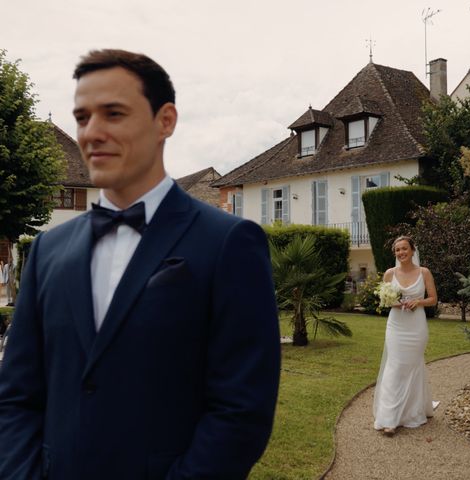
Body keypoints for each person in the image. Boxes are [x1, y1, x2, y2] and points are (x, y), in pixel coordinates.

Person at [0, 49, 281, 479]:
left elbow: (241, 410)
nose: (91, 132)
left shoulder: (228, 243)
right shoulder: (47, 250)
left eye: (113, 113)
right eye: (82, 117)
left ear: (165, 120)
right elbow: (16, 395)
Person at [373, 235, 438, 436]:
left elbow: (433, 299)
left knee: (413, 366)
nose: (401, 253)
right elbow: (385, 302)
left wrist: (418, 302)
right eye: (397, 250)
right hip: (396, 325)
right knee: (395, 366)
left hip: (416, 326)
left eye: (404, 248)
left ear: (412, 250)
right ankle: (389, 419)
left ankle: (413, 411)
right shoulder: (389, 274)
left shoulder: (424, 272)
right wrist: (397, 303)